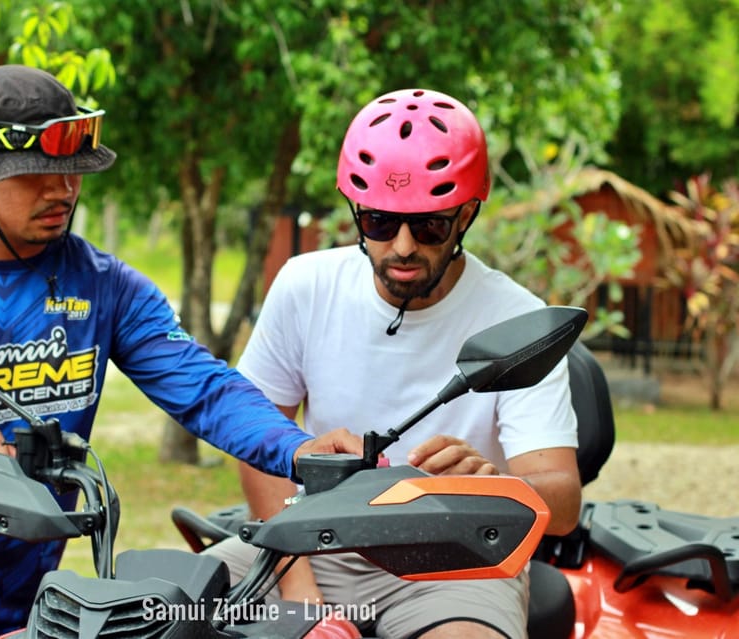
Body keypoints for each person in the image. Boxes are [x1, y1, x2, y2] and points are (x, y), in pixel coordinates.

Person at [0, 64, 361, 639]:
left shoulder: (104, 285)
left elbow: (204, 388)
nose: (63, 189)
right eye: (35, 173)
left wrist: (299, 448)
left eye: (73, 172)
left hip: (32, 614)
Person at [204, 88, 582, 639]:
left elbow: (564, 502)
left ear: (467, 214)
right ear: (357, 211)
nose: (402, 247)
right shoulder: (305, 286)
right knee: (160, 611)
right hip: (311, 541)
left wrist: (493, 484)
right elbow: (259, 441)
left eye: (429, 227)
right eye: (381, 222)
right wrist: (300, 597)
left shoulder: (515, 317)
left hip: (457, 560)